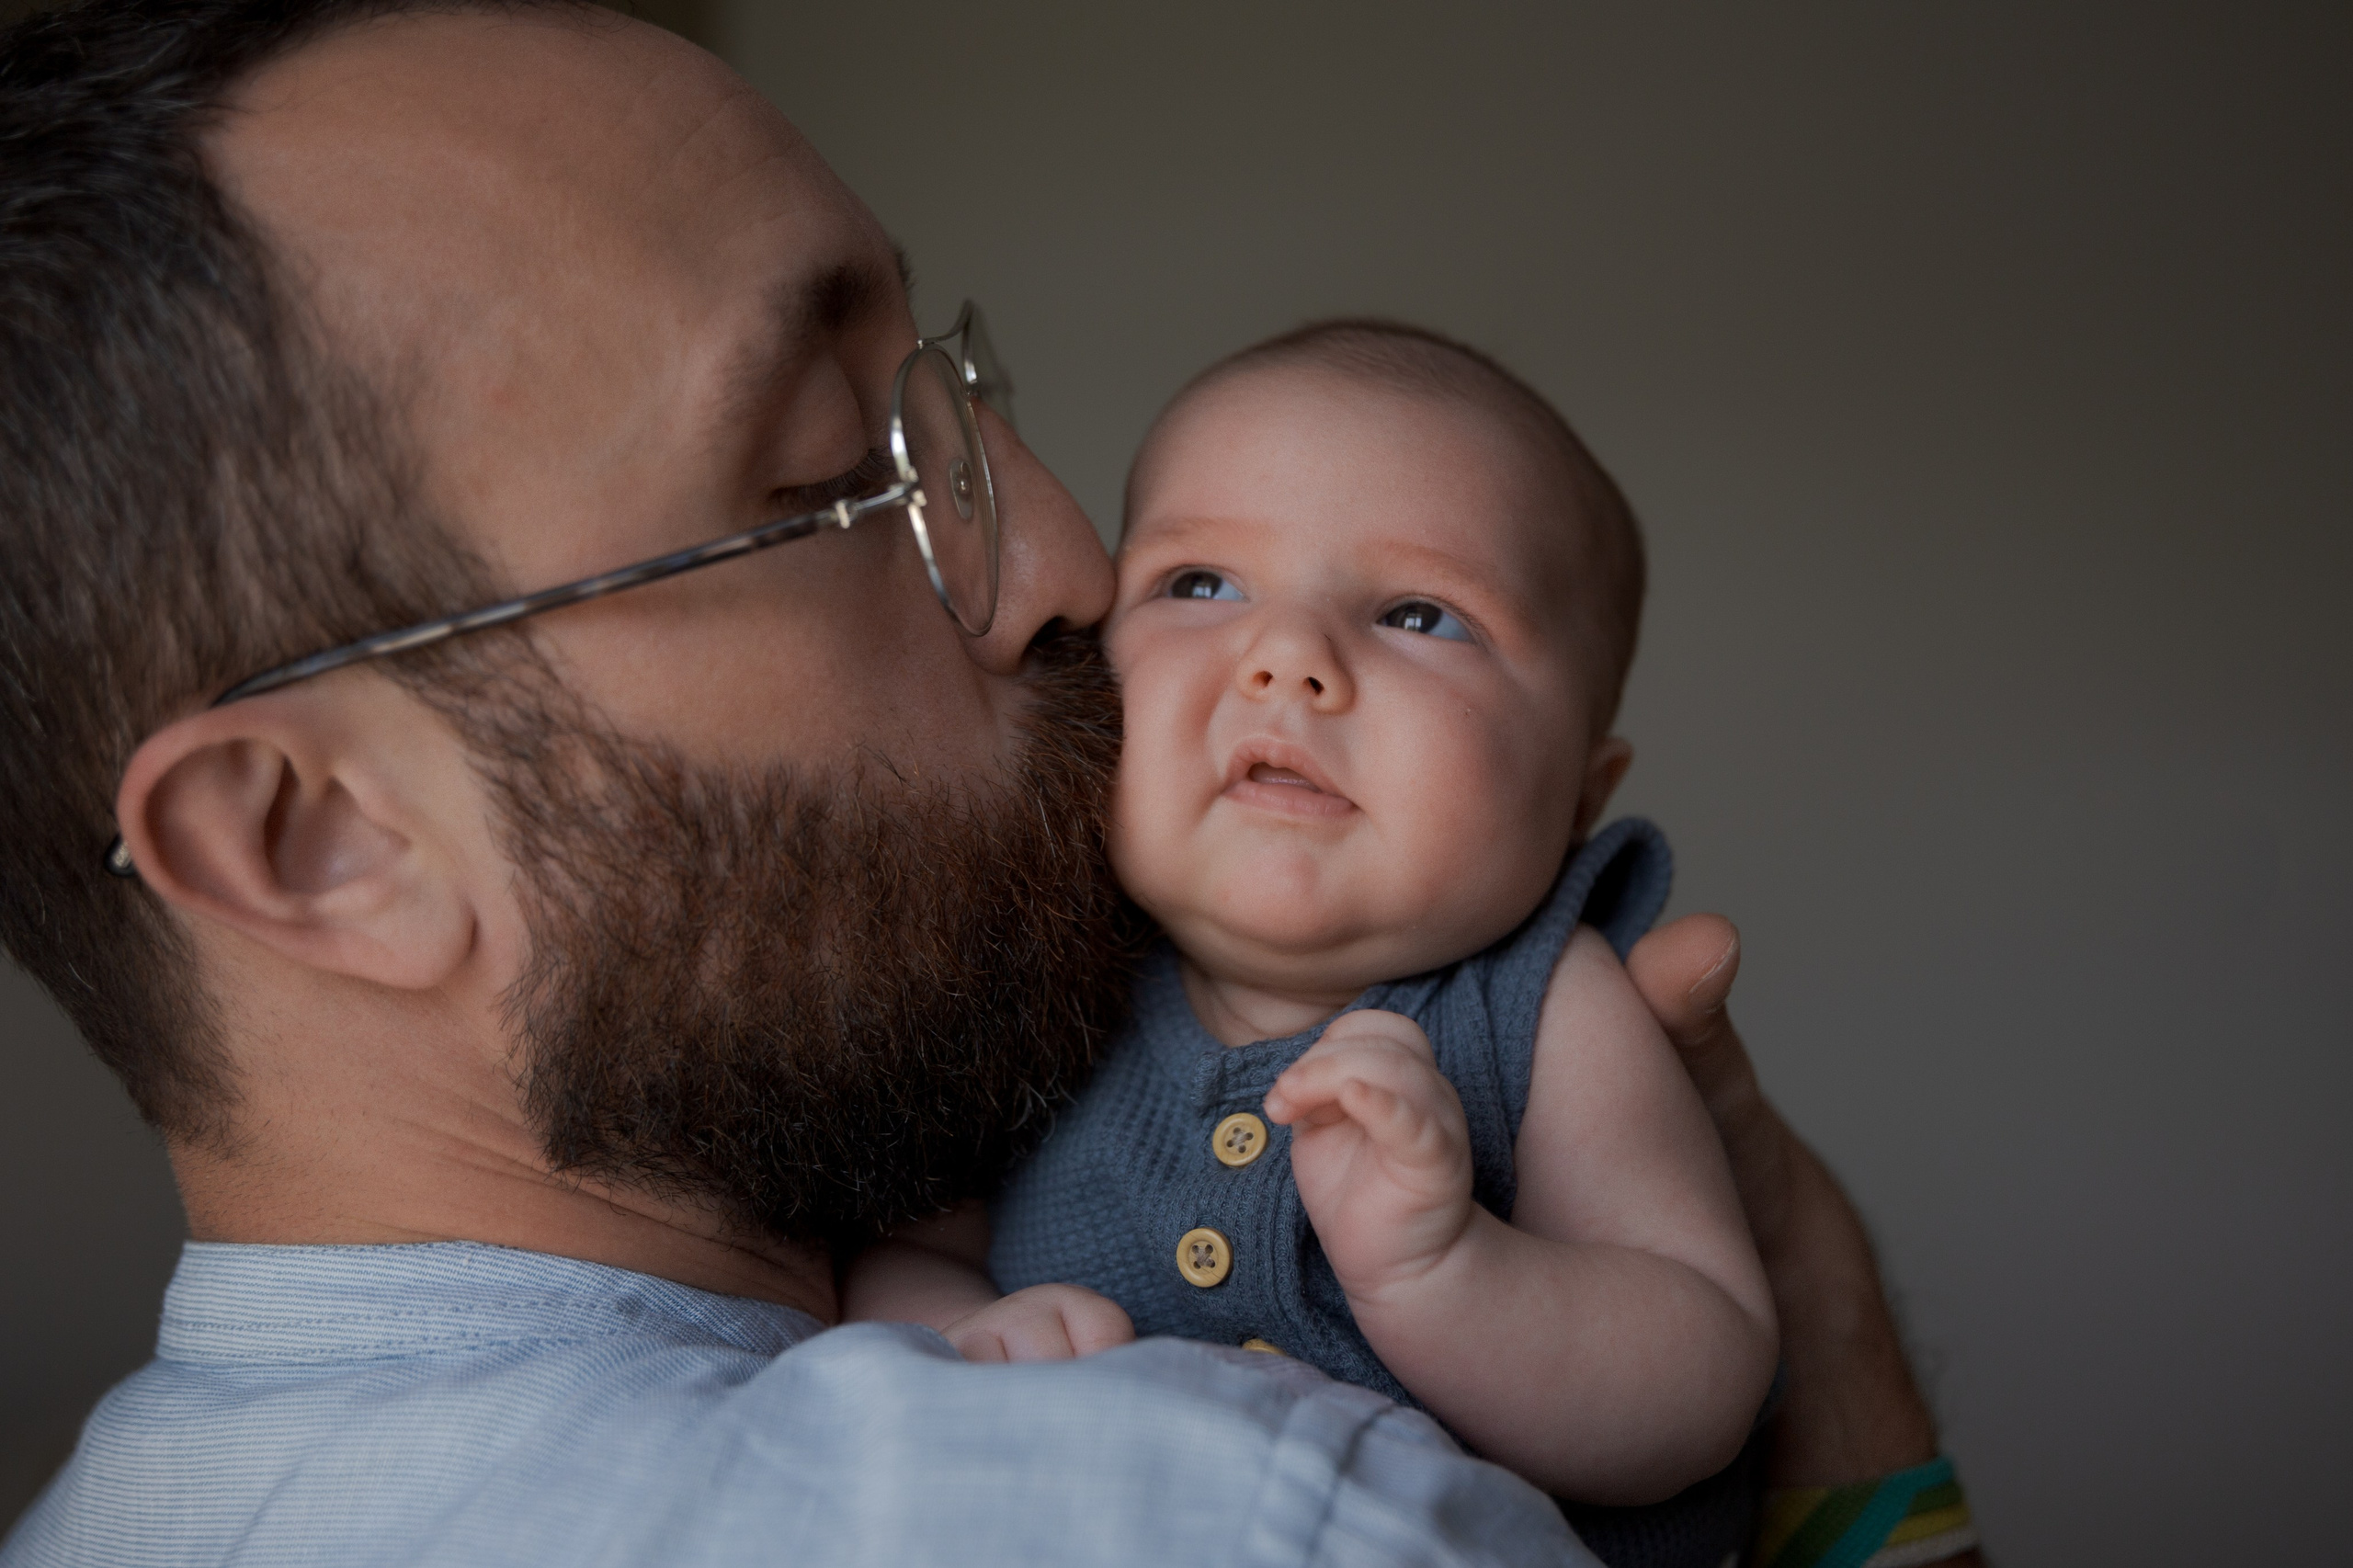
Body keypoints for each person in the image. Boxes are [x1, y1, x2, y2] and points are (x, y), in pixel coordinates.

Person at [0, 3, 1981, 1565]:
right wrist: (1841, 1358)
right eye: (819, 481)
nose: (1071, 572)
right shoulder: (1235, 1514)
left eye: (951, 410)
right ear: (324, 837)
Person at [845, 321, 1779, 1542]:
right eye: (1199, 584)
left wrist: (1449, 1275)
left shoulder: (1545, 1003)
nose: (1288, 657)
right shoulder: (1042, 961)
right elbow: (899, 1249)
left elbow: (1704, 1366)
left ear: (1578, 797)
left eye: (1419, 613)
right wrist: (952, 1326)